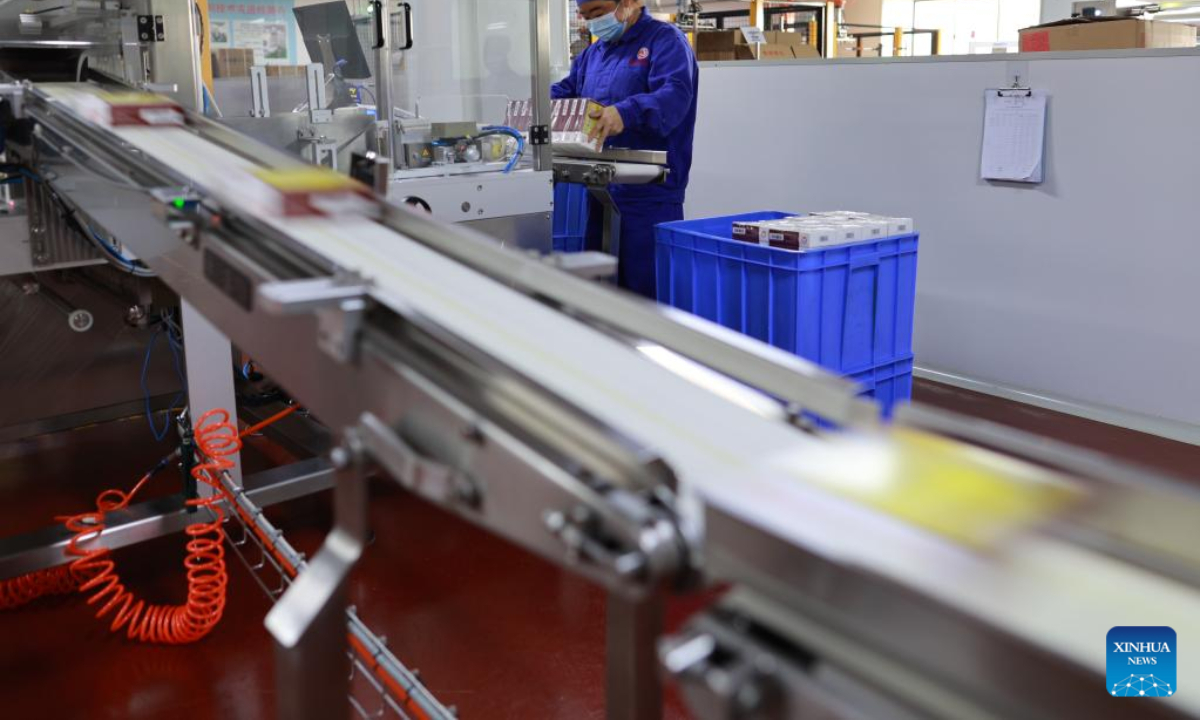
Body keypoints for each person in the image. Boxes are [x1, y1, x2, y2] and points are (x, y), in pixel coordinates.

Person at [552, 0, 698, 299]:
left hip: (649, 194)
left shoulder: (665, 41)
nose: (594, 22)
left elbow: (675, 96)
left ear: (630, 3)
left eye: (599, 12)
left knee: (643, 294)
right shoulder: (593, 53)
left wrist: (626, 112)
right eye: (587, 15)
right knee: (598, 289)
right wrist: (537, 103)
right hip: (600, 188)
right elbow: (566, 91)